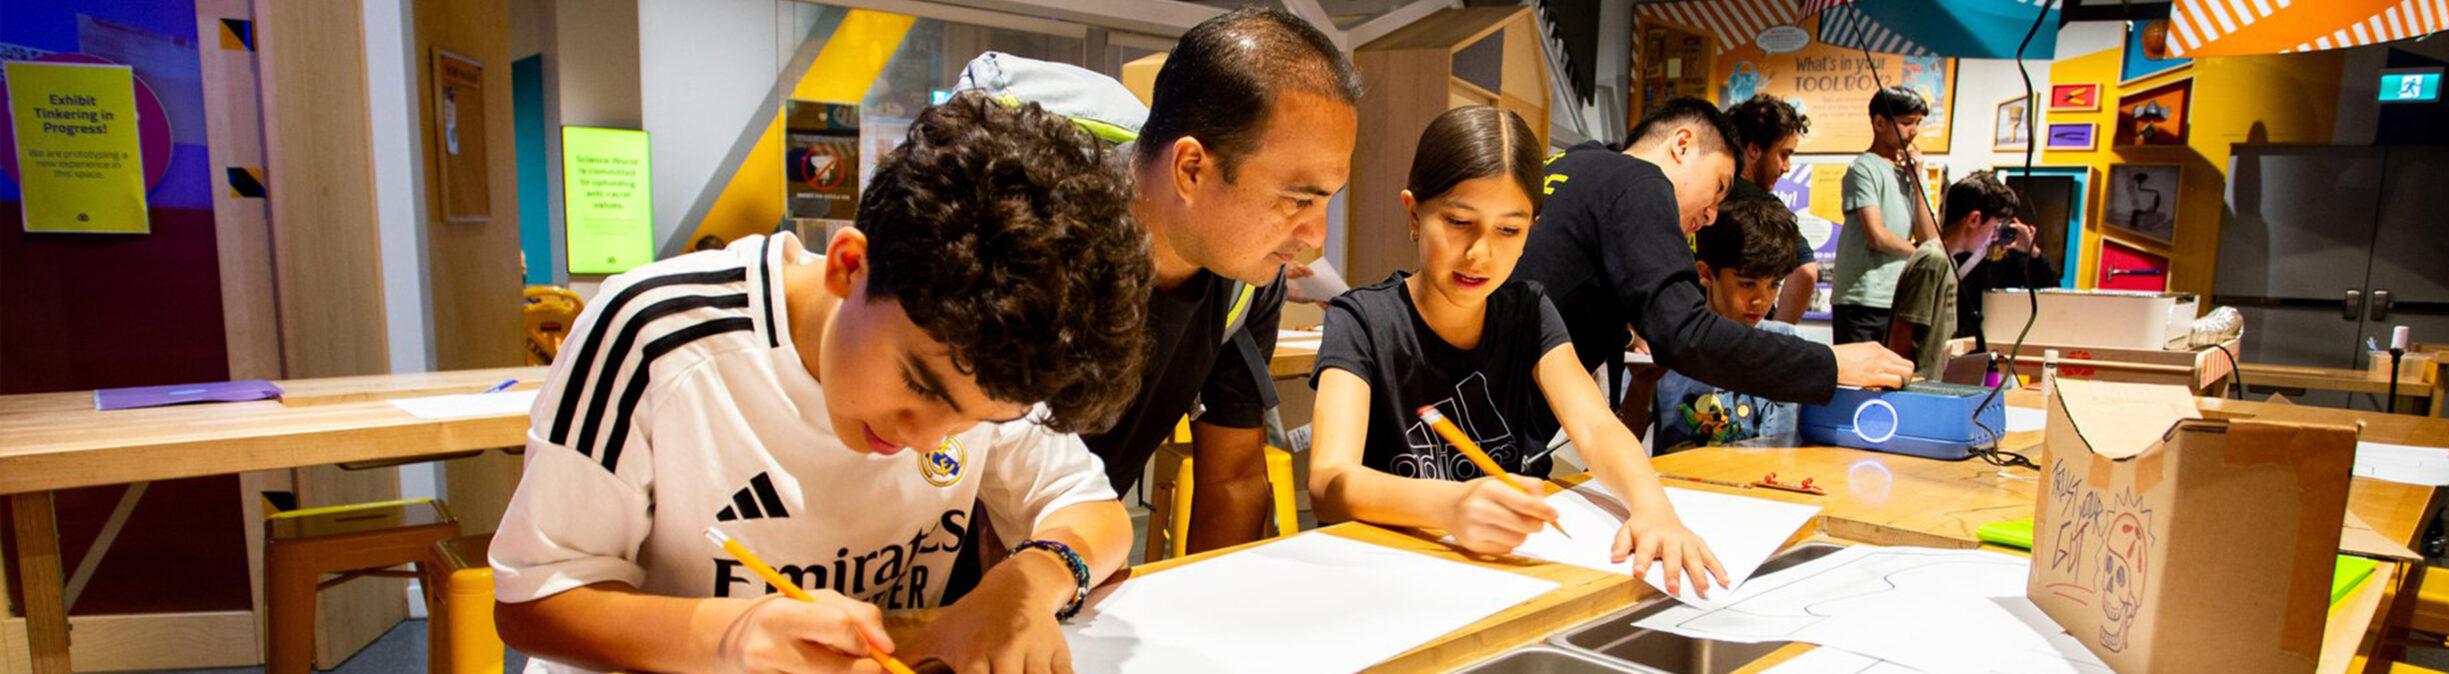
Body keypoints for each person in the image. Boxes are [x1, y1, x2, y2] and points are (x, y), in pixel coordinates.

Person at [488, 92, 1153, 674]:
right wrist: (729, 637)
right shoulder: (655, 334)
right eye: (918, 385)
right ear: (848, 266)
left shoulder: (990, 364)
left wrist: (1027, 580)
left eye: (977, 421)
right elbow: (532, 603)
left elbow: (1094, 514)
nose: (930, 440)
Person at [946, 7, 1361, 558]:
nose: (1315, 236)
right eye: (1297, 199)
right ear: (1191, 169)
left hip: (1066, 563)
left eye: (1328, 200)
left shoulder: (1246, 281)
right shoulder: (1033, 226)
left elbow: (1232, 477)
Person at [1307, 106, 1726, 595]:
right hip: (1383, 573)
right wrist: (1448, 505)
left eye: (1508, 229)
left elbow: (1595, 427)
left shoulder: (1528, 309)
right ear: (1414, 213)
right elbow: (1328, 483)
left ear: (1532, 228)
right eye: (1459, 221)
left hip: (1496, 576)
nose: (1480, 253)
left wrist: (1654, 509)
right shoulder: (1361, 319)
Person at [1515, 97, 1911, 446]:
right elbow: (1686, 335)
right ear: (1682, 144)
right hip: (1504, 416)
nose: (1710, 215)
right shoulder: (1641, 181)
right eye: (1719, 187)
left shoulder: (1577, 162)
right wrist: (1830, 363)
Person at [1654, 198, 1820, 451]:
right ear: (1706, 274)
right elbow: (1626, 435)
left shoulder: (1792, 344)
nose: (1760, 300)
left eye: (1773, 285)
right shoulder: (1673, 341)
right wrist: (1641, 387)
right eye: (1747, 284)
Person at [1830, 86, 1940, 346]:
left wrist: (1916, 178)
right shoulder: (1864, 167)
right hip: (1862, 296)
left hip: (1898, 296)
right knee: (1859, 370)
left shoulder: (1910, 172)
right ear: (1879, 123)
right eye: (1906, 123)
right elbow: (1877, 236)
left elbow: (1930, 239)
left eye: (1918, 123)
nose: (1914, 131)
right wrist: (1920, 254)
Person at [1887, 171, 2018, 381]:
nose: (1993, 236)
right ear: (1974, 219)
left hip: (1932, 385)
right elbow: (1902, 331)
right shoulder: (1933, 260)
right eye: (1993, 227)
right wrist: (1899, 386)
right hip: (1917, 387)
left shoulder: (1949, 261)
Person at [1719, 95, 1823, 326]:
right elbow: (1806, 272)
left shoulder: (1704, 196)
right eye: (1783, 154)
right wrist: (1775, 333)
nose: (1787, 167)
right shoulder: (1764, 206)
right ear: (1754, 149)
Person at [1952, 223, 2060, 350]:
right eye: (1994, 227)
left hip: (1999, 337)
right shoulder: (1962, 252)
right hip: (1961, 335)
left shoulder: (2012, 259)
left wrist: (2034, 253)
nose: (1996, 235)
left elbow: (2052, 291)